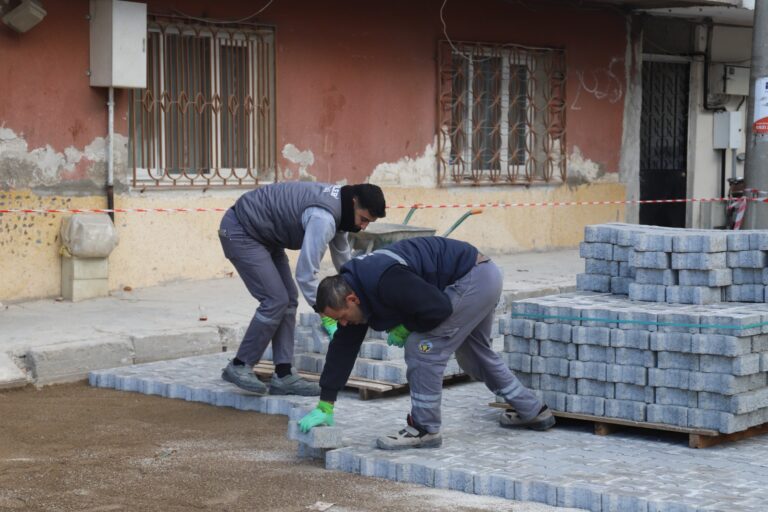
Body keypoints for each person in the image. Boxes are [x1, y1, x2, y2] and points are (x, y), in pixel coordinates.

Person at [298, 236, 555, 449]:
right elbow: (343, 347)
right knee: (474, 355)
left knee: (422, 349)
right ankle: (532, 411)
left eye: (342, 318)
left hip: (471, 279)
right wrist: (326, 403)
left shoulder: (384, 280)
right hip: (482, 274)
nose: (343, 324)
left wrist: (406, 326)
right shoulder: (354, 290)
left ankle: (424, 429)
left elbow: (438, 309)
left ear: (352, 299)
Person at [218, 182, 386, 396]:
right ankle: (240, 365)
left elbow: (344, 260)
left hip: (268, 235)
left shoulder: (342, 212)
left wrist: (364, 290)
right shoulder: (323, 218)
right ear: (354, 202)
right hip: (242, 230)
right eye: (363, 219)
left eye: (368, 223)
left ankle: (284, 374)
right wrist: (326, 310)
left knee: (289, 299)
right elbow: (306, 274)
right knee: (275, 299)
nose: (363, 227)